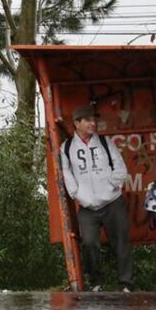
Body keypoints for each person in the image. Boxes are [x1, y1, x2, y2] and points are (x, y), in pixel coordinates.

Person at [58, 105, 133, 292]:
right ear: (77, 123)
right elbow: (67, 174)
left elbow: (120, 168)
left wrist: (111, 187)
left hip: (112, 202)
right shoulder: (66, 148)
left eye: (94, 119)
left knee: (121, 241)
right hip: (87, 207)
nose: (93, 123)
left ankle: (126, 283)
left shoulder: (105, 142)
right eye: (88, 120)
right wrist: (78, 195)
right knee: (89, 243)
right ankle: (96, 282)